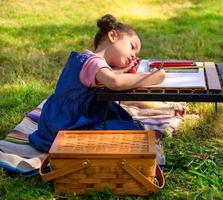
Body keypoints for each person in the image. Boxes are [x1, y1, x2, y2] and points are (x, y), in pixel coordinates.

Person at [29, 14, 165, 152]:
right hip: (69, 125)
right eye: (132, 47)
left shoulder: (86, 59)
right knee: (130, 133)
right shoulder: (94, 62)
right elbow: (114, 82)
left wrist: (123, 70)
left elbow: (110, 77)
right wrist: (151, 77)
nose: (134, 55)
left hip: (57, 121)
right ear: (112, 36)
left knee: (123, 124)